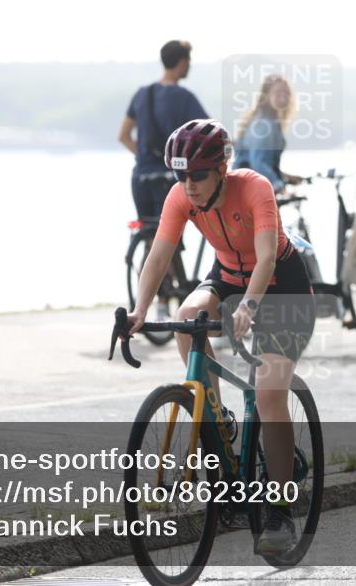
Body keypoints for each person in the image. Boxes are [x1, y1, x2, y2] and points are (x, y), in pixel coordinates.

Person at [125, 119, 316, 554]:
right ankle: (218, 419)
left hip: (282, 288)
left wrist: (249, 306)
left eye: (198, 175)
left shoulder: (254, 188)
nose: (188, 185)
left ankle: (281, 510)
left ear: (222, 168)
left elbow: (266, 257)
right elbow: (158, 257)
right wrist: (138, 310)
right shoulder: (181, 197)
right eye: (181, 175)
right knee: (186, 315)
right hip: (228, 278)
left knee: (269, 394)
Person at [118, 40, 209, 219]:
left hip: (140, 176)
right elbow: (208, 132)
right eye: (189, 62)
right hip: (169, 177)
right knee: (168, 239)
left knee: (149, 235)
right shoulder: (184, 97)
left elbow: (123, 136)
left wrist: (144, 155)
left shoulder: (142, 94)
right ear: (182, 62)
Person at [234, 74, 304, 194]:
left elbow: (266, 163)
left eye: (286, 93)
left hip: (248, 190)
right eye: (278, 93)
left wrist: (286, 177)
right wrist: (279, 187)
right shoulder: (263, 125)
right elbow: (258, 163)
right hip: (250, 194)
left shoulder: (271, 120)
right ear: (266, 97)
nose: (283, 98)